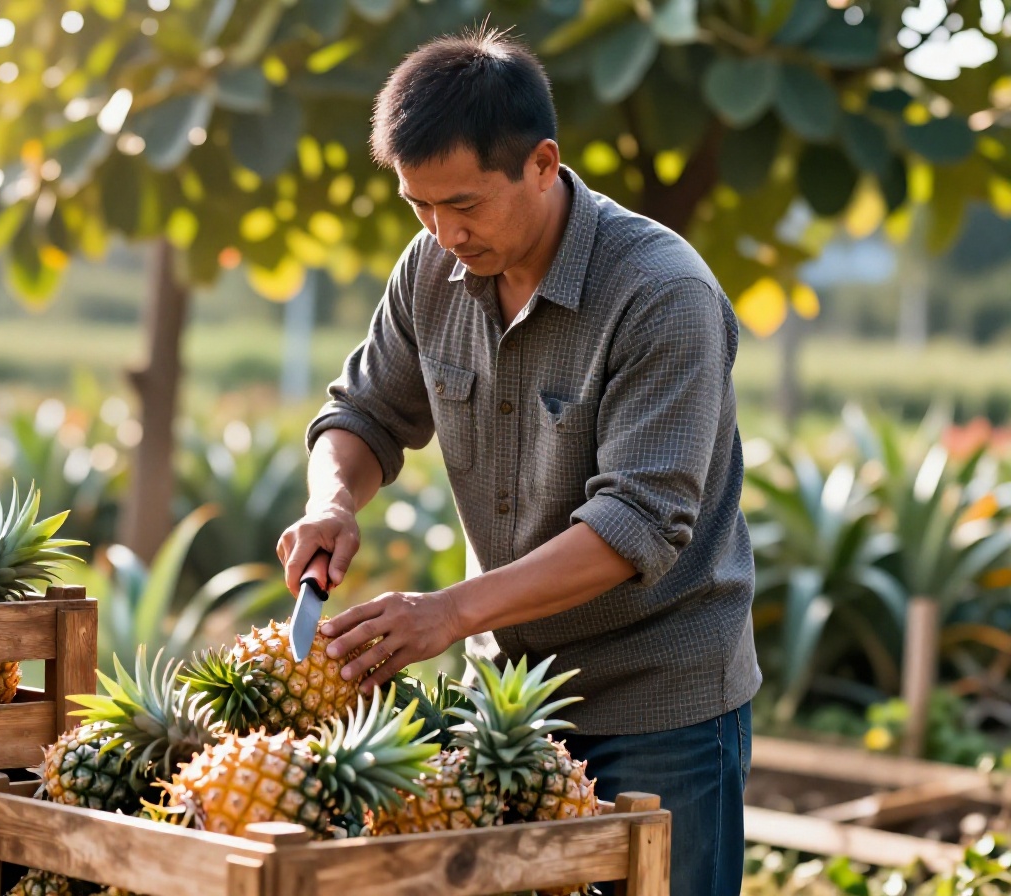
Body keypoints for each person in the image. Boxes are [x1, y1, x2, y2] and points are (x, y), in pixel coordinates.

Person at [276, 26, 758, 896]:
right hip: (507, 701)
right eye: (418, 205)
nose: (441, 230)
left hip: (659, 703)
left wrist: (445, 614)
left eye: (463, 204)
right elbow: (364, 411)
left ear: (542, 163)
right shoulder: (430, 266)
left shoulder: (662, 293)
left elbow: (636, 524)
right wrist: (333, 499)